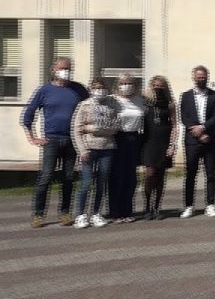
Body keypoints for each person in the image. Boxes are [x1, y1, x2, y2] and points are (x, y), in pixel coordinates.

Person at [22, 57, 89, 228]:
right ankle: (38, 215)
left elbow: (91, 108)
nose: (65, 71)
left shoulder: (78, 89)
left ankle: (65, 213)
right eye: (62, 68)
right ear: (53, 69)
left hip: (72, 140)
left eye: (68, 68)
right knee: (46, 177)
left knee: (68, 178)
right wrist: (33, 137)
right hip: (51, 139)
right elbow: (28, 115)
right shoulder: (45, 90)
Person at [70, 78, 121, 229]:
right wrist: (82, 150)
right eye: (97, 88)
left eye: (102, 88)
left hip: (107, 148)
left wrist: (93, 129)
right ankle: (80, 215)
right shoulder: (84, 105)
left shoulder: (112, 105)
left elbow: (115, 127)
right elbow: (77, 130)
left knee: (101, 183)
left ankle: (96, 213)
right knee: (86, 183)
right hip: (89, 149)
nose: (100, 90)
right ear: (91, 89)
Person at [179, 65, 215, 218]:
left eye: (204, 77)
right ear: (193, 78)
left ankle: (210, 204)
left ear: (207, 78)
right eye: (199, 77)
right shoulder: (185, 96)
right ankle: (189, 206)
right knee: (191, 173)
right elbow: (184, 117)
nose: (201, 79)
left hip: (210, 139)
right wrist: (197, 132)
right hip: (192, 140)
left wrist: (204, 128)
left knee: (210, 174)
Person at [108, 74, 145, 223]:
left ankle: (128, 210)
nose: (127, 85)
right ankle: (116, 212)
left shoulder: (140, 100)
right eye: (123, 83)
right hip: (117, 137)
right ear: (118, 84)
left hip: (134, 138)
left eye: (130, 83)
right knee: (117, 176)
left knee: (131, 177)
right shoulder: (112, 100)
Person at [141, 76, 178, 221]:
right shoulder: (145, 103)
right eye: (155, 85)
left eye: (161, 86)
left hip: (164, 142)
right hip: (149, 142)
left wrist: (172, 145)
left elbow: (175, 125)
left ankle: (157, 207)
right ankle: (147, 205)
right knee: (150, 174)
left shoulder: (170, 104)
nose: (158, 88)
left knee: (160, 176)